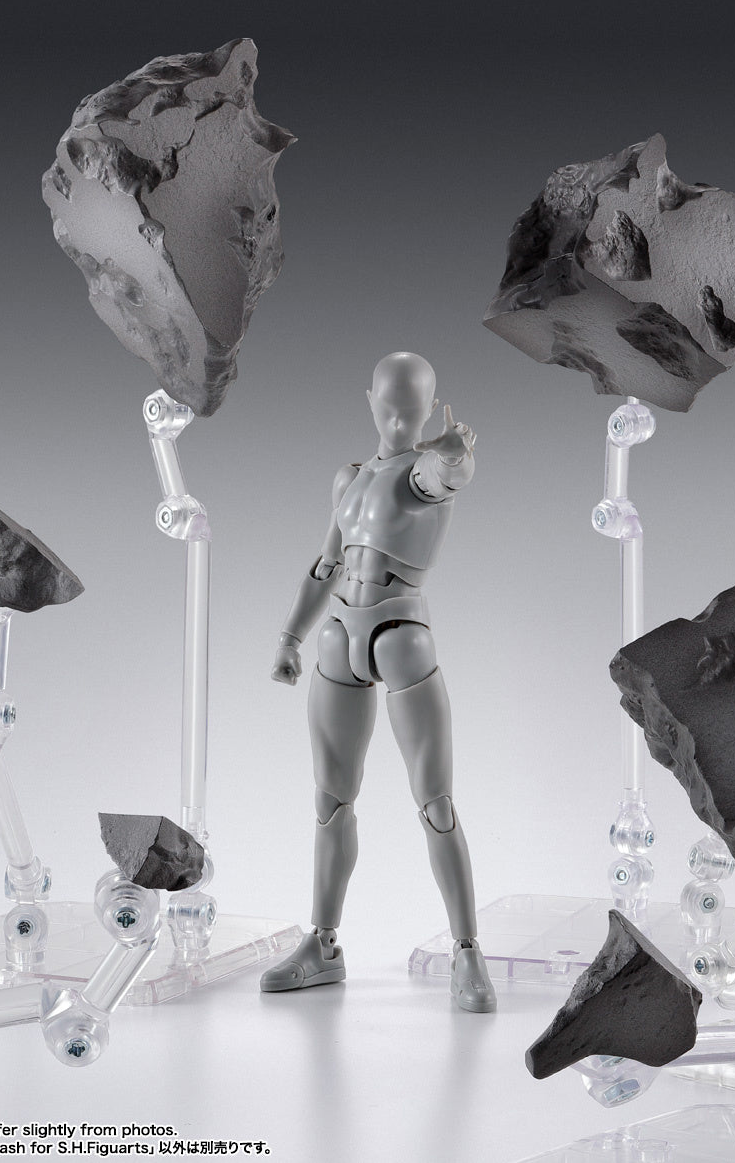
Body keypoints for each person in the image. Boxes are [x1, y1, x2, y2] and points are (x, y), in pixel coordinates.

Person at [259, 351, 496, 1012]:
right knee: (330, 801)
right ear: (370, 402)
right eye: (388, 407)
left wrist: (453, 455)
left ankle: (467, 950)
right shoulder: (350, 478)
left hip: (401, 636)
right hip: (338, 635)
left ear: (429, 409)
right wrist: (289, 636)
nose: (398, 420)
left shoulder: (423, 472)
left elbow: (443, 476)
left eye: (411, 410)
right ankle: (323, 945)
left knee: (435, 803)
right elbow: (325, 563)